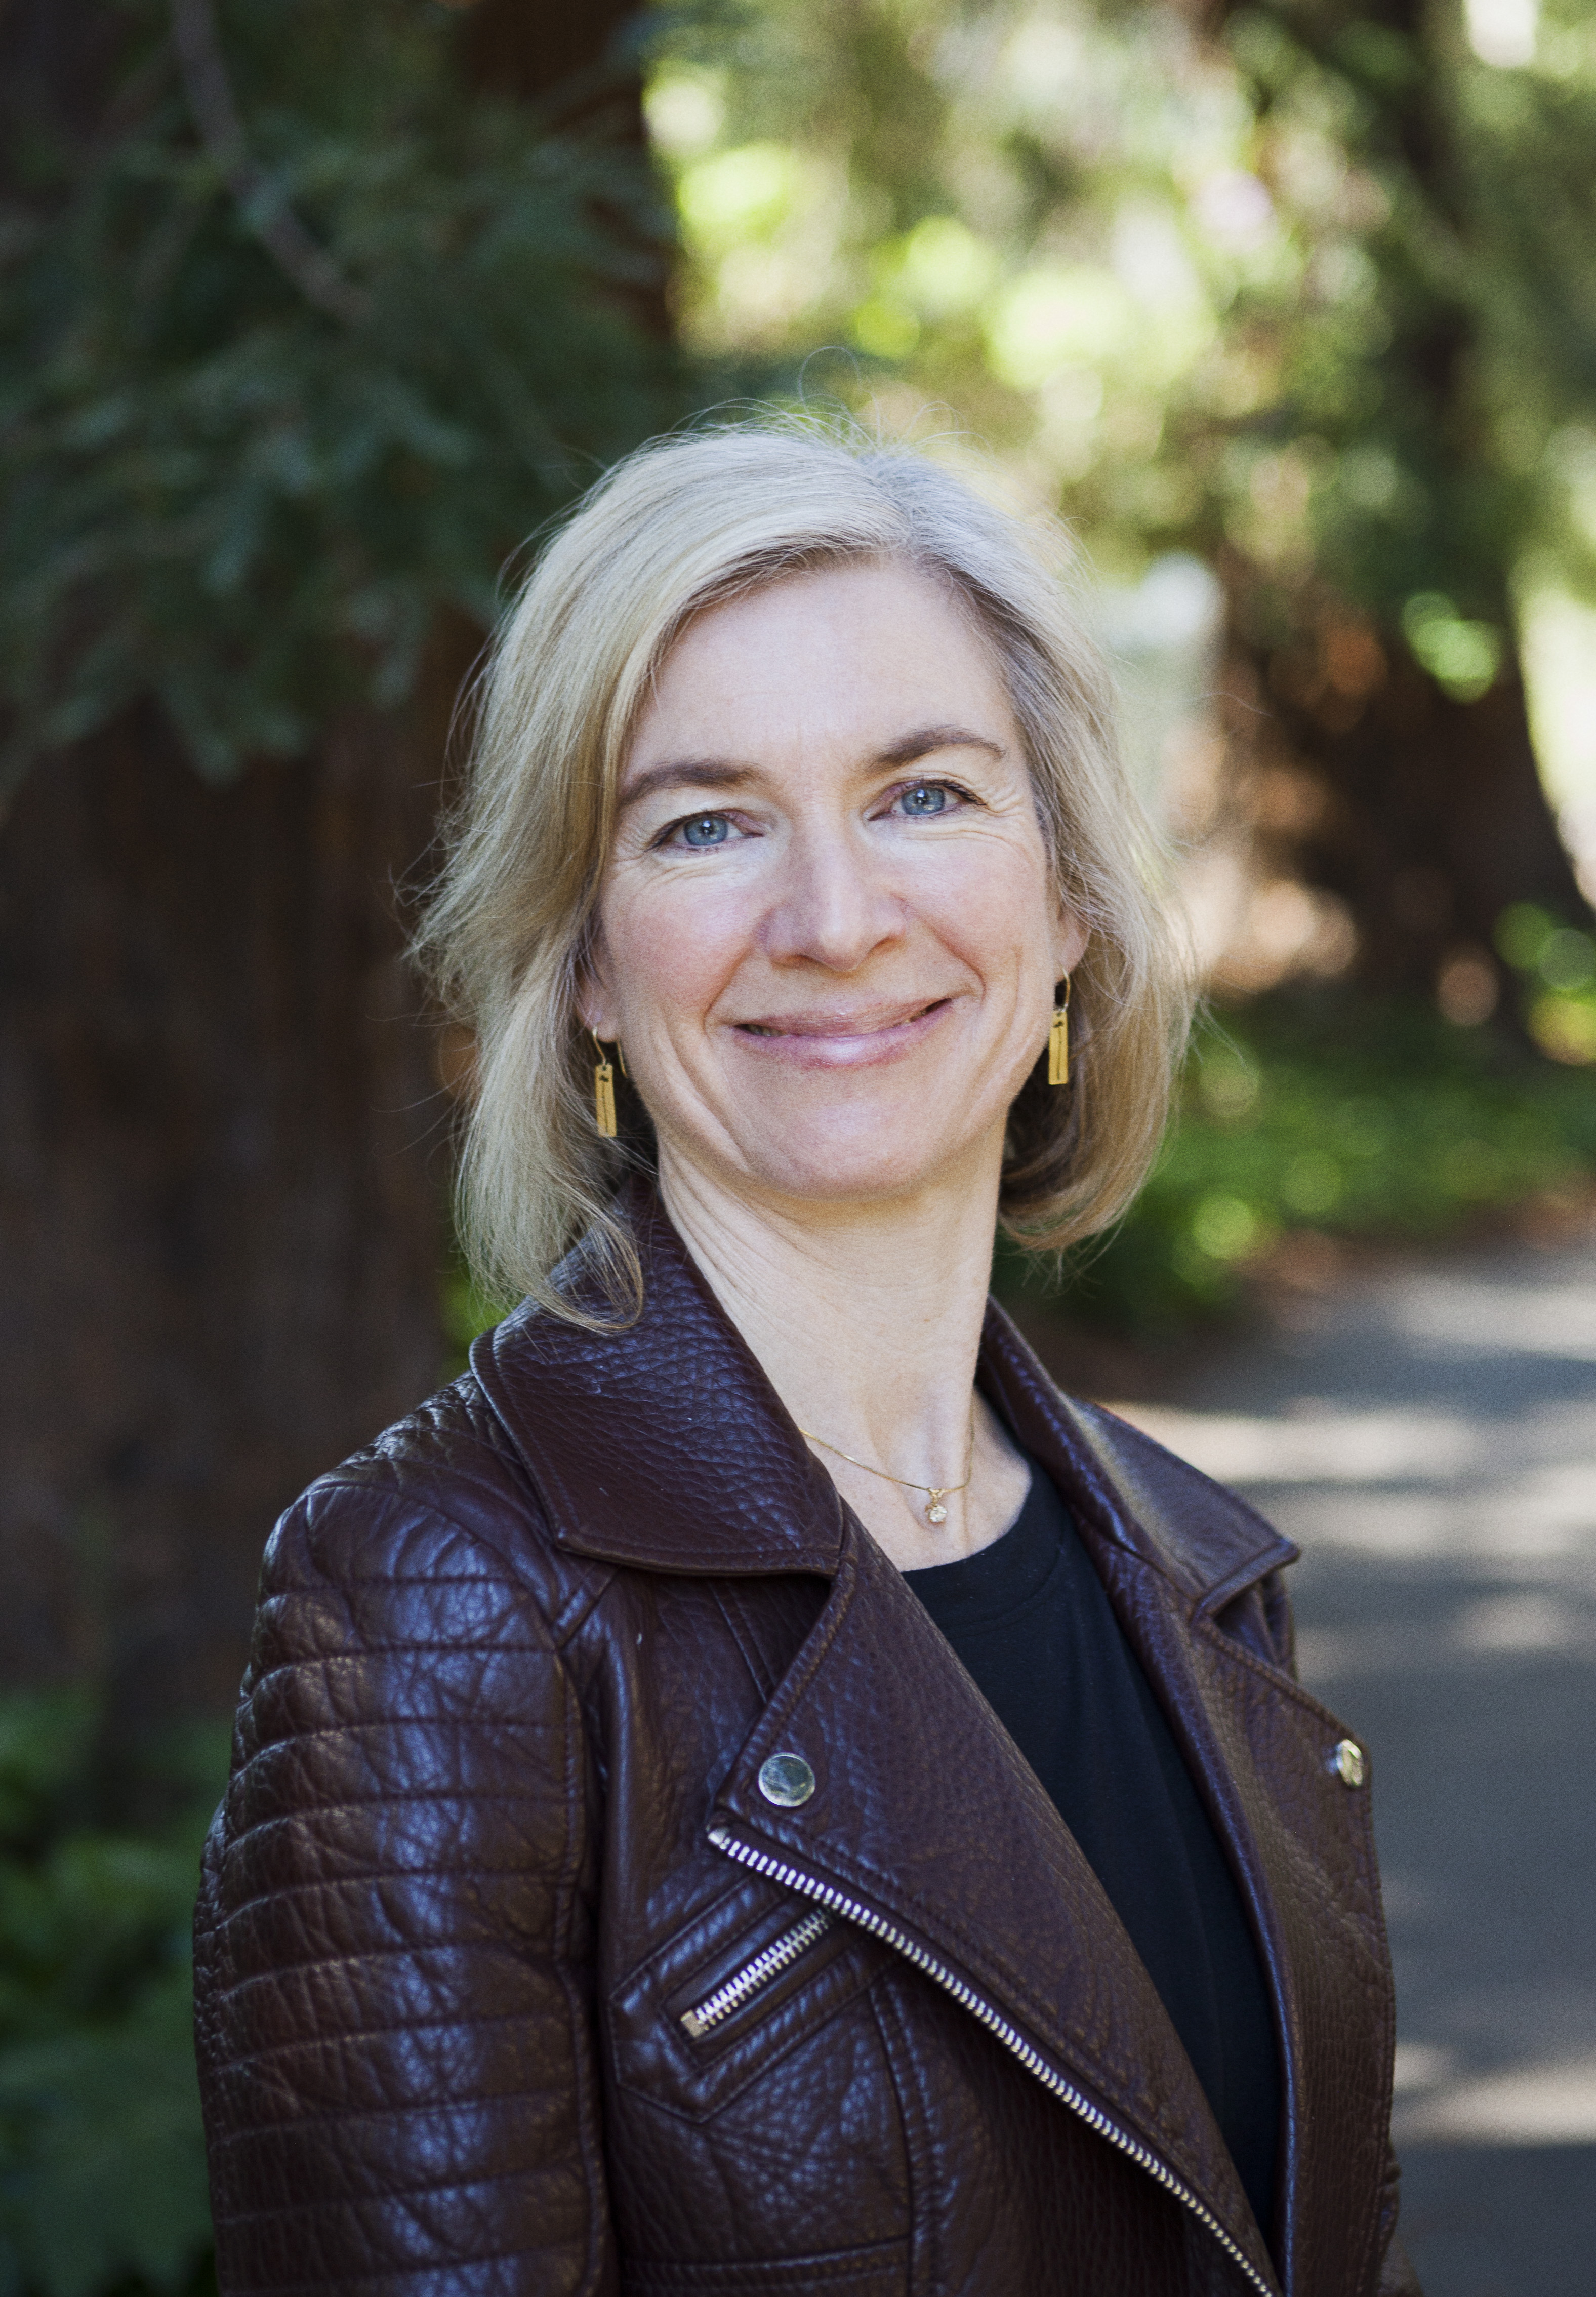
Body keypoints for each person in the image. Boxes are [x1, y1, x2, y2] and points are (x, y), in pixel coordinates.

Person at [194, 420, 1419, 2297]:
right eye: (705, 822)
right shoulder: (435, 1613)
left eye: (923, 794)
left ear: (1067, 896)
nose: (837, 921)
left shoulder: (1197, 1572)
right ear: (587, 962)